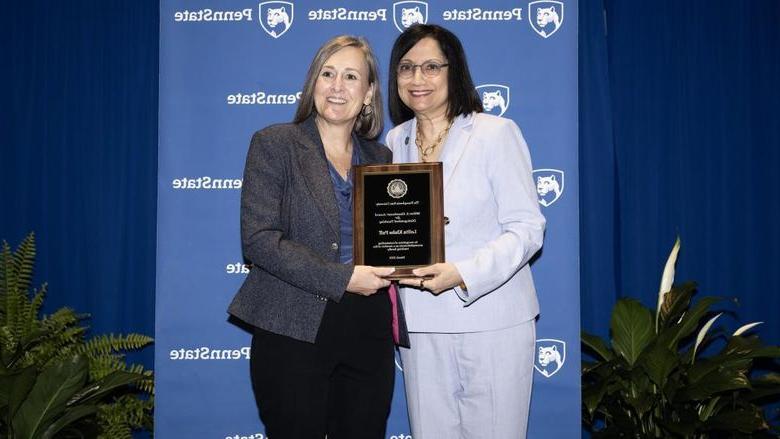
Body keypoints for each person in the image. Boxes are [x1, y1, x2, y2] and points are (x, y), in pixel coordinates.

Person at [228, 35, 396, 439]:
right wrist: (343, 278)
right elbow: (260, 239)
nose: (337, 86)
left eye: (351, 76)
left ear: (369, 92)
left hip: (368, 326)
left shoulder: (382, 159)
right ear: (313, 83)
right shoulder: (274, 144)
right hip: (292, 324)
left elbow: (391, 236)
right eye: (328, 74)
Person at [385, 24, 546, 438]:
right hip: (421, 322)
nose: (417, 79)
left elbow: (527, 228)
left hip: (492, 318)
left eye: (431, 66)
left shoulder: (495, 133)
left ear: (454, 71)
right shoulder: (393, 141)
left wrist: (463, 272)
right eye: (406, 68)